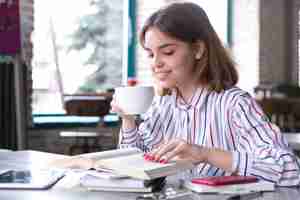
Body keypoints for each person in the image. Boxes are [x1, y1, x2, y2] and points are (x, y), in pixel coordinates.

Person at [111, 2, 300, 186]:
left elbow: (291, 171)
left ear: (198, 49)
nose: (155, 63)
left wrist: (206, 154)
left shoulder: (234, 104)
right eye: (151, 54)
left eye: (167, 52)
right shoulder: (163, 105)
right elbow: (135, 163)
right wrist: (128, 120)